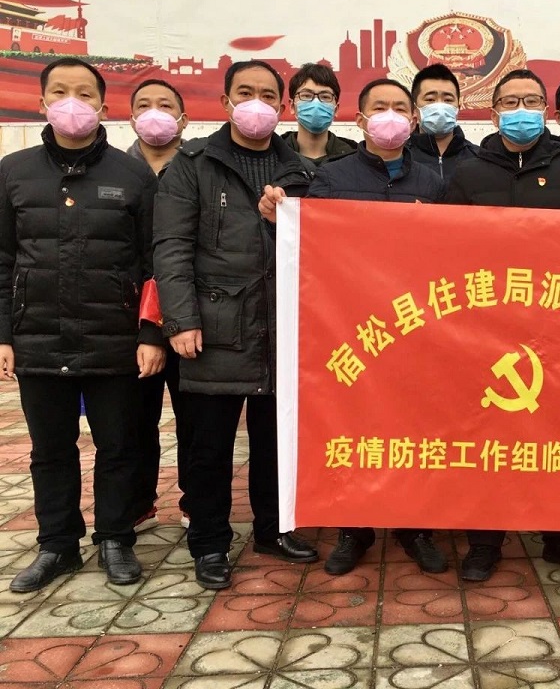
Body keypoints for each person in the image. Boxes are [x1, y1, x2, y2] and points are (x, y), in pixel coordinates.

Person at [259, 78, 446, 576]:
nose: (390, 116)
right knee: (353, 425)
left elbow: (451, 255)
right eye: (379, 107)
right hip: (353, 326)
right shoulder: (332, 176)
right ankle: (353, 529)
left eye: (400, 108)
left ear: (413, 120)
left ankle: (415, 527)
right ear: (360, 120)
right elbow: (309, 248)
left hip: (416, 327)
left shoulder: (432, 182)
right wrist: (280, 221)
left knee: (415, 428)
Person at [153, 59, 320, 591]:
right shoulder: (192, 164)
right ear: (225, 102)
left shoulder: (301, 171)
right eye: (245, 93)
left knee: (276, 442)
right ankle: (209, 542)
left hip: (282, 330)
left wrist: (281, 221)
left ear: (283, 106)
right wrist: (180, 319)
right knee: (208, 446)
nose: (257, 104)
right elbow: (171, 248)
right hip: (213, 327)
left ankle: (274, 531)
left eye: (268, 95)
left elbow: (321, 250)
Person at [0, 58, 165, 592]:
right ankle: (57, 545)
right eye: (60, 92)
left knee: (119, 446)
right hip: (37, 337)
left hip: (114, 338)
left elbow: (153, 264)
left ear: (103, 106)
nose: (72, 102)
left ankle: (115, 538)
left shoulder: (132, 175)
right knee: (50, 450)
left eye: (85, 93)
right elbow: (3, 260)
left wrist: (150, 333)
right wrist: (4, 335)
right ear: (41, 103)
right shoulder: (13, 171)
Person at [443, 68, 560, 582]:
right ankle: (485, 540)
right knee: (486, 436)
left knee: (559, 432)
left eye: (531, 101)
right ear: (493, 113)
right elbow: (443, 251)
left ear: (546, 111)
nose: (521, 110)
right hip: (484, 328)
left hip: (558, 325)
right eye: (510, 101)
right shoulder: (467, 173)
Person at [127, 79, 192, 533]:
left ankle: (195, 502)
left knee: (195, 422)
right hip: (128, 319)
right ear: (131, 117)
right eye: (145, 105)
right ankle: (137, 502)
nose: (155, 113)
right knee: (133, 421)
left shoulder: (198, 167)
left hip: (188, 315)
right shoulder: (116, 171)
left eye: (165, 105)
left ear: (183, 119)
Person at [407, 63, 478, 179]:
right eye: (430, 99)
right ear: (414, 110)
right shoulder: (400, 158)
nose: (440, 106)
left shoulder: (479, 158)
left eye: (448, 100)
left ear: (458, 109)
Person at [283, 62, 357, 165]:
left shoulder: (354, 159)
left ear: (336, 109)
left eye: (325, 97)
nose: (316, 103)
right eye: (306, 95)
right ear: (292, 106)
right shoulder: (276, 155)